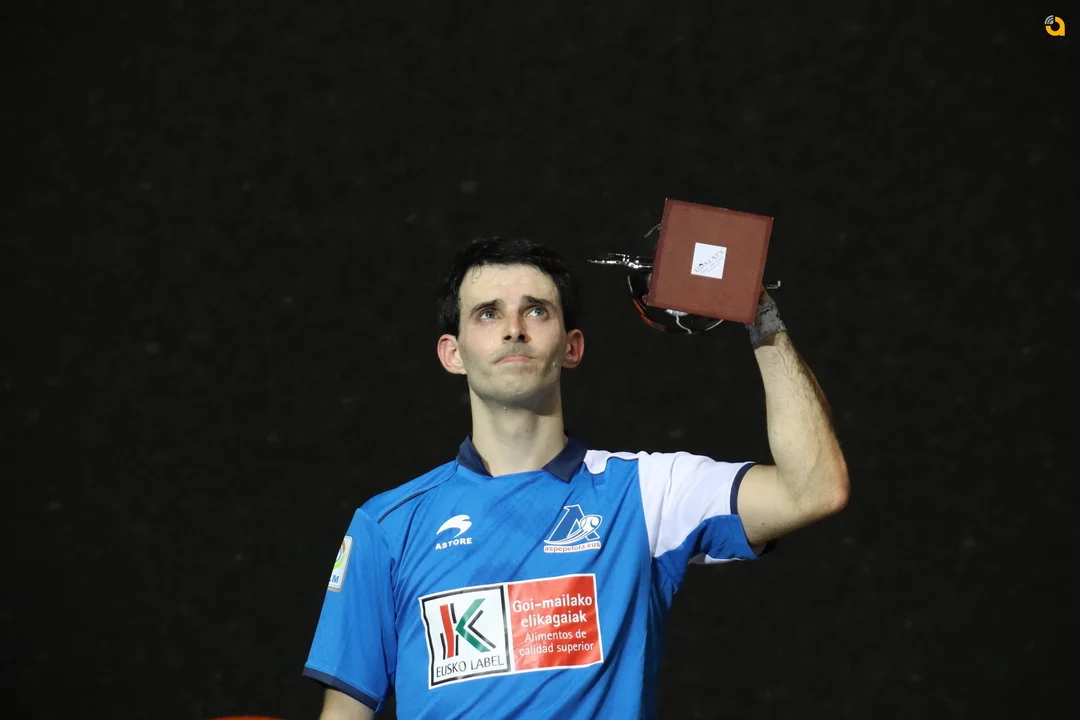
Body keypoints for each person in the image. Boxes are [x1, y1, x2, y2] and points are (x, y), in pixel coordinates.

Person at [302, 236, 849, 719]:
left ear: (572, 347)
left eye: (537, 311)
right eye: (488, 314)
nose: (513, 329)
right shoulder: (387, 525)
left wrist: (759, 312)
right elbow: (346, 710)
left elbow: (814, 490)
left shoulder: (648, 492)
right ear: (453, 354)